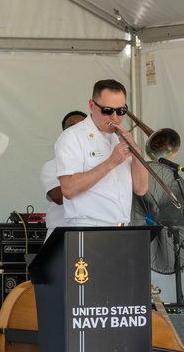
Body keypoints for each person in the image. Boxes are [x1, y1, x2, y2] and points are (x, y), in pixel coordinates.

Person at [55, 79, 149, 226]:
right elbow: (68, 189)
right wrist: (111, 162)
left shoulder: (120, 138)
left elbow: (141, 189)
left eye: (121, 111)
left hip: (123, 228)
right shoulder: (73, 136)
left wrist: (136, 153)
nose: (115, 117)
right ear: (92, 105)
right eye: (107, 110)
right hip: (89, 227)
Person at [40, 110, 87, 236]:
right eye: (71, 127)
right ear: (64, 133)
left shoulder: (99, 164)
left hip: (91, 235)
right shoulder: (52, 166)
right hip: (60, 236)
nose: (76, 131)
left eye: (82, 126)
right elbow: (59, 197)